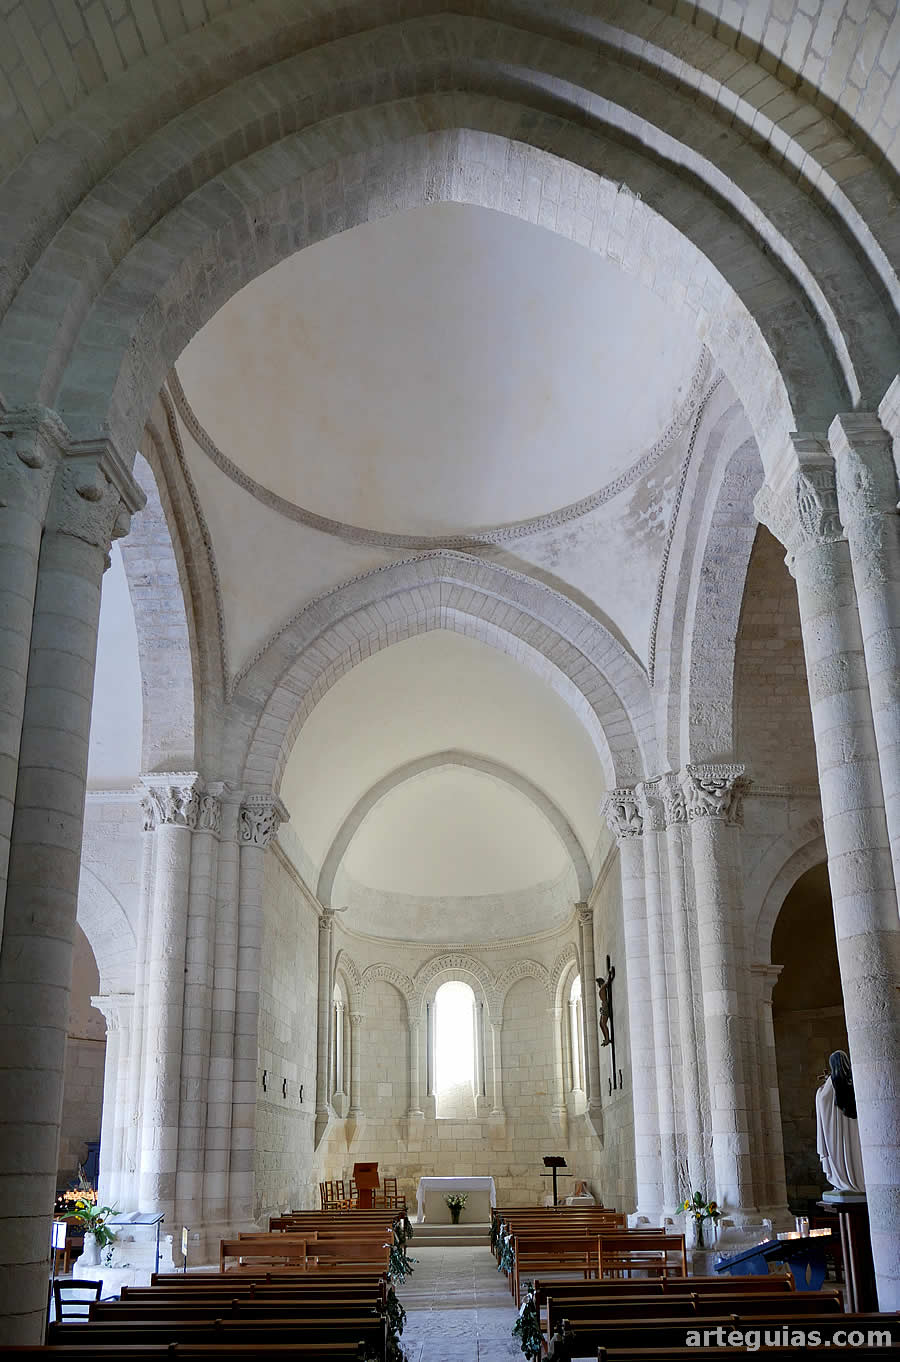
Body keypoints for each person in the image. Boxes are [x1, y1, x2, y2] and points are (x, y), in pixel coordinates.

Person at [815, 1050, 865, 1194]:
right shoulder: (854, 1081)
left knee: (841, 1156)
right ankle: (858, 1181)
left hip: (836, 1134)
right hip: (853, 1130)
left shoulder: (832, 1081)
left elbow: (823, 1099)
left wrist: (822, 1087)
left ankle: (843, 1181)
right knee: (855, 1155)